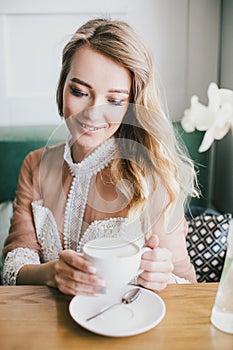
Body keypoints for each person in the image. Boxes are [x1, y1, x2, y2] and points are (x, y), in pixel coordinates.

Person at [3, 18, 199, 296]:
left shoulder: (154, 177)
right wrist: (52, 274)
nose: (93, 113)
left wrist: (163, 278)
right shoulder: (34, 164)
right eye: (80, 92)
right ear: (62, 88)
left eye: (115, 100)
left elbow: (188, 286)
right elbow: (14, 265)